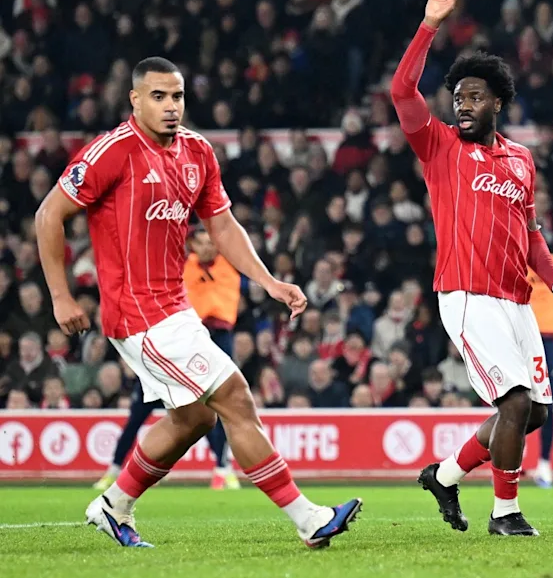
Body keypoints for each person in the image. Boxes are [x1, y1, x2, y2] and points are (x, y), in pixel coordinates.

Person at [34, 57, 360, 548]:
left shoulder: (198, 152)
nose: (171, 107)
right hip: (137, 312)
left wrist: (269, 281)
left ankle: (113, 504)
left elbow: (223, 227)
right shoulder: (111, 152)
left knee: (196, 418)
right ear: (135, 100)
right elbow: (48, 215)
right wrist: (61, 297)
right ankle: (308, 518)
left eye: (178, 96)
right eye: (159, 97)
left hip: (174, 306)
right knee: (234, 397)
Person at [390, 0, 553, 537]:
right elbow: (403, 92)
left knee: (536, 412)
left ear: (497, 101)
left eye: (475, 97)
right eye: (458, 98)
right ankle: (506, 513)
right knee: (516, 401)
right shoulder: (440, 146)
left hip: (517, 300)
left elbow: (530, 233)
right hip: (467, 296)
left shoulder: (521, 160)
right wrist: (430, 26)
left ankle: (446, 476)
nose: (463, 105)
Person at [92, 228, 240, 492]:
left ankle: (222, 469)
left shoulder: (229, 264)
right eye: (201, 242)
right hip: (181, 340)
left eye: (211, 242)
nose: (206, 247)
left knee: (209, 410)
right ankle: (114, 469)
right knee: (139, 413)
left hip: (215, 338)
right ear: (192, 244)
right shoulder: (183, 266)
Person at [527, 255, 553, 488]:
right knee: (514, 398)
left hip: (547, 337)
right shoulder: (510, 257)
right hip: (520, 334)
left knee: (547, 403)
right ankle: (510, 464)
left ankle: (545, 465)